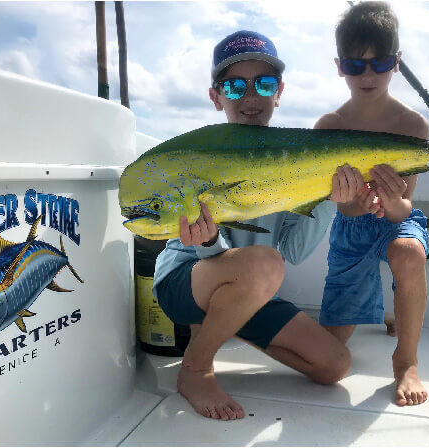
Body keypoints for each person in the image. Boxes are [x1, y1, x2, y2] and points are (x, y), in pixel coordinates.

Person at [152, 30, 356, 421]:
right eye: (234, 85)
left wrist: (331, 200)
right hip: (185, 279)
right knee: (265, 264)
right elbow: (217, 251)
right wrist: (210, 240)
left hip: (248, 284)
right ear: (216, 97)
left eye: (263, 84)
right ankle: (195, 369)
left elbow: (293, 251)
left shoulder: (294, 163)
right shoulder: (197, 158)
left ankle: (228, 321)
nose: (250, 97)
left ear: (279, 92)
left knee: (333, 365)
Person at [316, 1, 429, 407]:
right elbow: (343, 210)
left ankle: (407, 361)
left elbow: (405, 209)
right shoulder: (328, 128)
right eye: (354, 64)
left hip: (397, 221)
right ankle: (387, 312)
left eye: (379, 63)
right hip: (351, 226)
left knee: (408, 250)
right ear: (339, 65)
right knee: (331, 344)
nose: (367, 74)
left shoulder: (413, 127)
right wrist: (357, 205)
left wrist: (393, 204)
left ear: (396, 63)